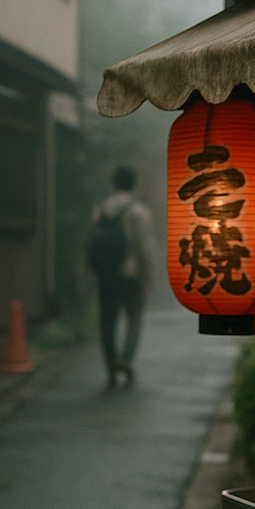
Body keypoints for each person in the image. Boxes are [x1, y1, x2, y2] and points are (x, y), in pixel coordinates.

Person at [87, 166, 154, 388]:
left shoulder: (101, 209)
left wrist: (93, 271)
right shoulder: (138, 211)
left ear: (114, 183)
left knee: (107, 321)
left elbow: (91, 242)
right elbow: (144, 248)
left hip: (106, 274)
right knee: (134, 318)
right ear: (133, 184)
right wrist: (147, 277)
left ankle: (110, 369)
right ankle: (125, 359)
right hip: (130, 273)